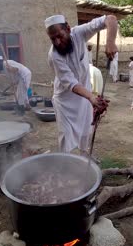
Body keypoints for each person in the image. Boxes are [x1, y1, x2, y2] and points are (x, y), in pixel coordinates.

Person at [45, 14, 117, 153]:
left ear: (68, 28)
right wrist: (91, 97)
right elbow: (72, 83)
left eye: (60, 36)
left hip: (84, 97)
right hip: (65, 101)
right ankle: (67, 165)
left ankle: (82, 161)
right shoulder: (54, 56)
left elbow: (111, 19)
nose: (57, 42)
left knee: (85, 134)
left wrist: (110, 41)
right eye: (53, 39)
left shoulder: (79, 33)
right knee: (67, 138)